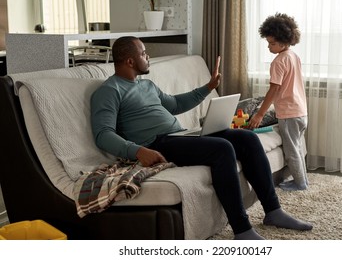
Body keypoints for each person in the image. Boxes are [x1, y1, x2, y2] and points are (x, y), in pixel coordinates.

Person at [90, 36, 313, 240]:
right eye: (143, 53)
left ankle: (273, 211)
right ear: (130, 61)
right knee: (222, 148)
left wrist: (208, 87)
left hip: (180, 135)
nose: (148, 57)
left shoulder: (146, 85)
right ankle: (242, 229)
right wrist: (138, 151)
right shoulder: (110, 91)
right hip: (156, 143)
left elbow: (176, 105)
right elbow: (103, 134)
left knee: (247, 139)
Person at [248, 13, 308, 191]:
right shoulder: (293, 56)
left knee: (291, 151)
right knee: (297, 147)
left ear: (284, 41)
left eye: (272, 43)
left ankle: (300, 183)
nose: (269, 46)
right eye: (268, 43)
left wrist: (259, 114)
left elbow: (273, 90)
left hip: (289, 113)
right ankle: (302, 180)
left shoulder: (278, 62)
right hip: (301, 111)